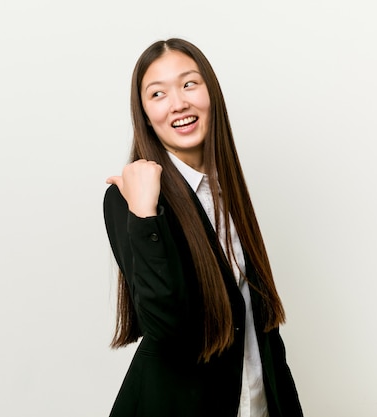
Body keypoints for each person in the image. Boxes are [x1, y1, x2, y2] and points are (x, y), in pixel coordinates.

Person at [103, 38, 304, 417]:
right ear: (145, 114)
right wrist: (146, 215)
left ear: (211, 94)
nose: (178, 103)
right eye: (158, 93)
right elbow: (165, 328)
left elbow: (262, 328)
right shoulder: (130, 197)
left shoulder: (226, 190)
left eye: (189, 84)